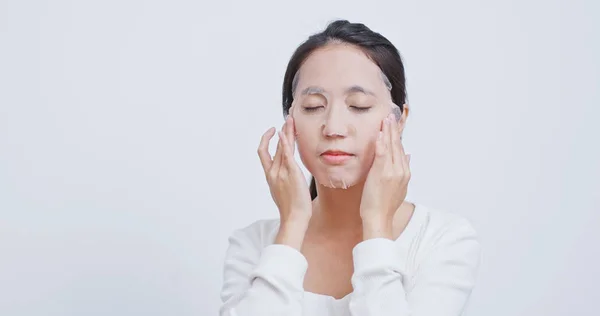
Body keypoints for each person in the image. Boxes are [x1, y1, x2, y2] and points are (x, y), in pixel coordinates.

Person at [219, 19, 481, 316]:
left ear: (400, 118)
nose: (333, 128)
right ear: (290, 120)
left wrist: (376, 224)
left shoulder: (443, 240)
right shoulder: (253, 245)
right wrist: (291, 226)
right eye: (313, 106)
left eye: (358, 106)